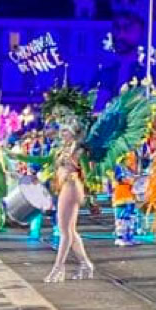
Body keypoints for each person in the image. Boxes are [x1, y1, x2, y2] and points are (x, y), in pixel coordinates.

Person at [45, 119, 94, 282]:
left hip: (72, 187)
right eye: (62, 130)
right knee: (70, 231)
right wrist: (16, 156)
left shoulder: (79, 151)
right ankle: (86, 265)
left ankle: (58, 268)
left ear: (73, 133)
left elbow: (88, 173)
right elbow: (44, 161)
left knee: (65, 231)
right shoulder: (61, 150)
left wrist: (91, 194)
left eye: (66, 131)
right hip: (64, 187)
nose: (62, 133)